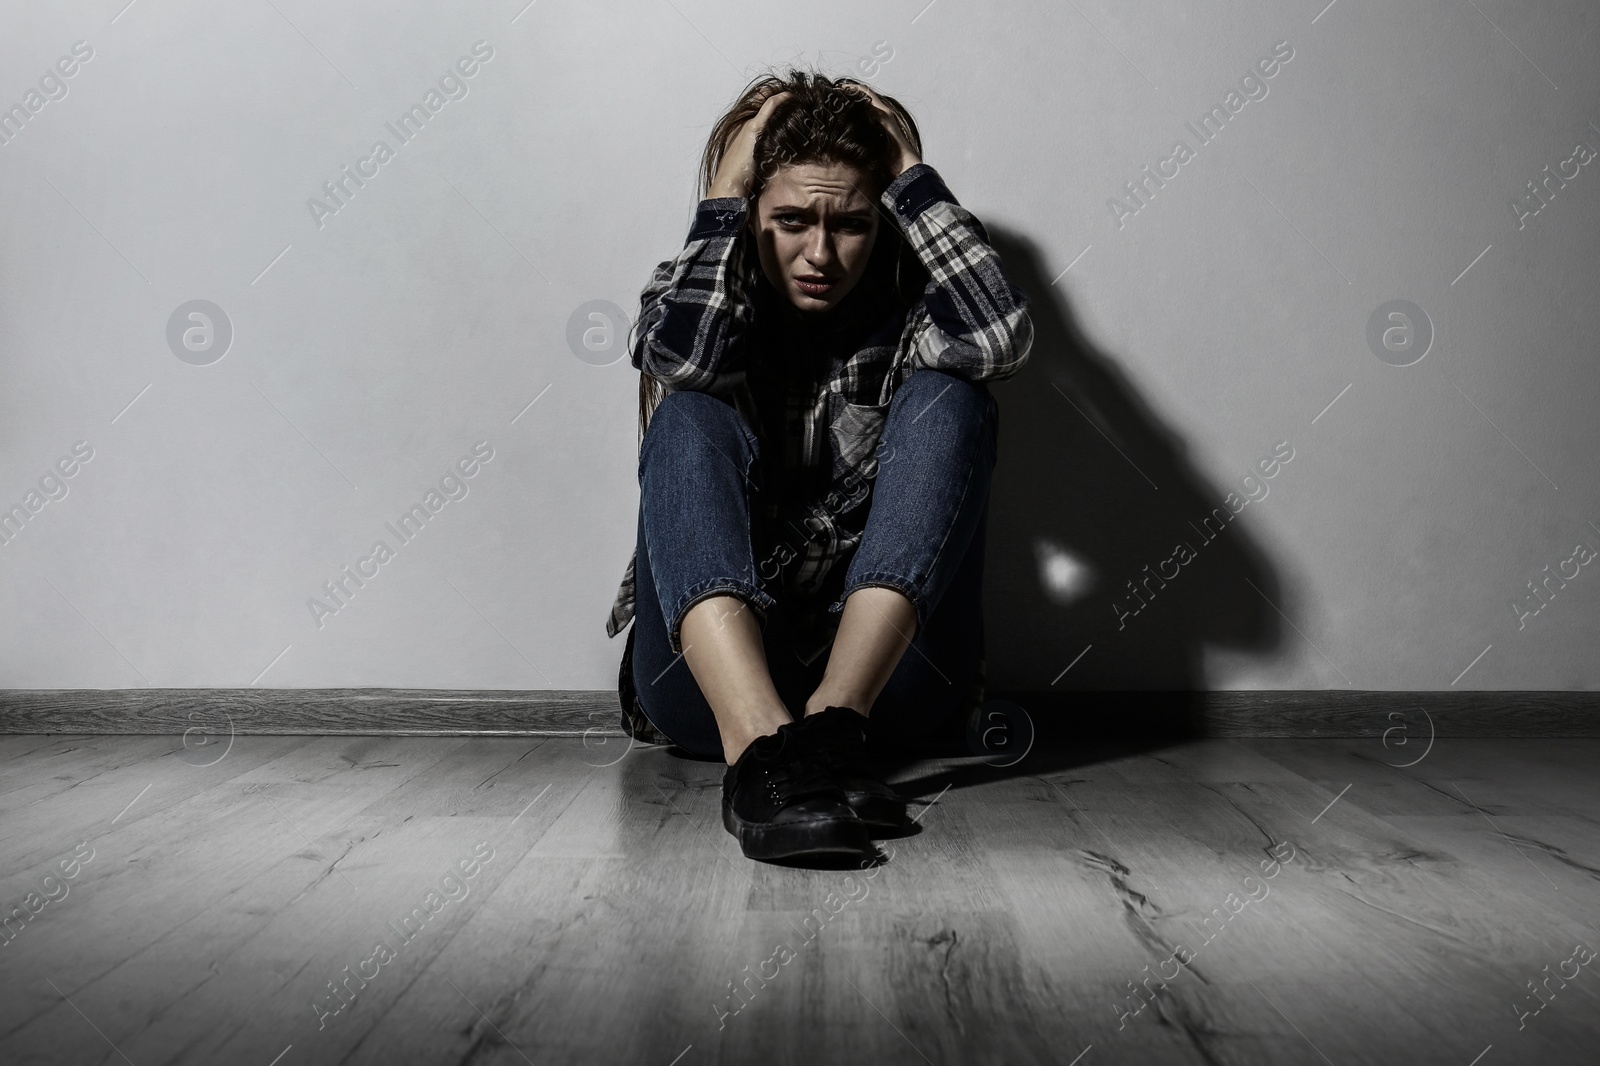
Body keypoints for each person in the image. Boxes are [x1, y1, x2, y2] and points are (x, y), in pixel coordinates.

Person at [604, 69, 1033, 862]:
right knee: (690, 407)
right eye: (791, 220)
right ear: (752, 214)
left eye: (852, 226)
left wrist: (909, 173)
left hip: (888, 692)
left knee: (957, 397)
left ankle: (832, 728)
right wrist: (727, 195)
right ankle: (765, 751)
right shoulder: (691, 290)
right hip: (706, 693)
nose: (821, 255)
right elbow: (677, 358)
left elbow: (1000, 339)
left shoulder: (914, 315)